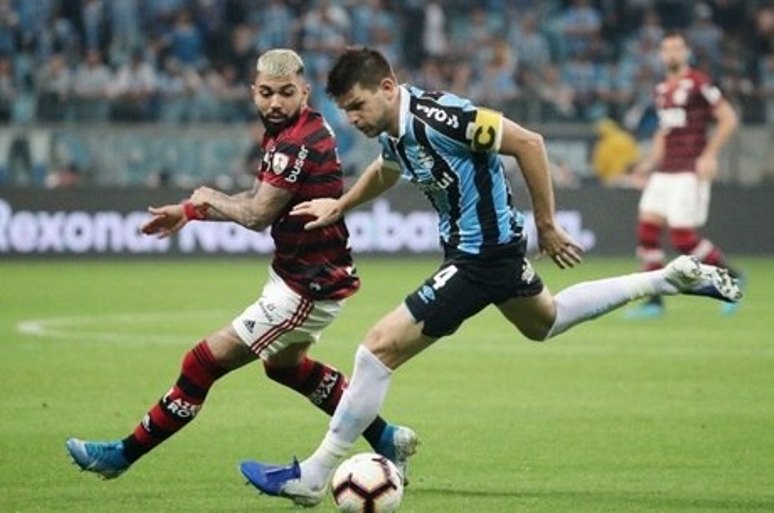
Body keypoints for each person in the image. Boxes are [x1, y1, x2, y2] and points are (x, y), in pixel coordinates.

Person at [237, 47, 742, 507]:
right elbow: (388, 169)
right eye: (346, 110)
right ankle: (666, 278)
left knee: (375, 350)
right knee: (547, 319)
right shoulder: (393, 129)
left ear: (387, 88)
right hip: (480, 253)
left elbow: (528, 142)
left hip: (481, 257)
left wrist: (546, 224)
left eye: (358, 106)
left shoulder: (443, 118)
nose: (352, 118)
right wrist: (343, 203)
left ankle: (314, 475)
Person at [65, 49, 417, 482]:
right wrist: (189, 210)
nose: (275, 103)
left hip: (306, 288)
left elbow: (256, 216)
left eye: (286, 93)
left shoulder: (296, 142)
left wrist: (207, 197)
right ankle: (387, 438)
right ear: (253, 92)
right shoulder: (287, 129)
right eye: (266, 93)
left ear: (304, 92)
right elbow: (254, 201)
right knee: (285, 367)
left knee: (200, 363)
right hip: (304, 276)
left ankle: (121, 455)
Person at [627, 31, 743, 319]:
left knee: (682, 238)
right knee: (647, 233)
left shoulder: (699, 84)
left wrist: (709, 155)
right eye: (667, 49)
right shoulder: (661, 90)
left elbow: (728, 117)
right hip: (665, 170)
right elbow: (664, 132)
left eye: (677, 48)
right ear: (661, 55)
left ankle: (732, 276)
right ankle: (654, 301)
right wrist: (647, 163)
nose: (672, 54)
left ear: (686, 52)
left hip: (689, 170)